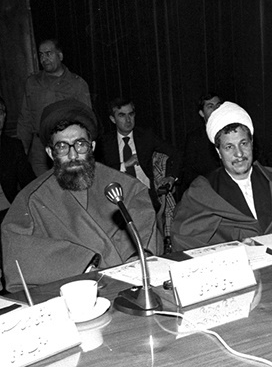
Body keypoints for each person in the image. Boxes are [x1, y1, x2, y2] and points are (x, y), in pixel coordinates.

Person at [2, 99, 160, 292]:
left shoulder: (124, 186)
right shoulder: (32, 199)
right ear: (50, 153)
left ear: (92, 146)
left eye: (80, 144)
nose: (73, 155)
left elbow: (144, 228)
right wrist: (83, 264)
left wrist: (135, 262)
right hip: (68, 291)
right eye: (62, 147)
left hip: (128, 285)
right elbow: (16, 248)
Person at [171, 101, 272, 249]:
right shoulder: (203, 191)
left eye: (243, 143)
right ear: (218, 152)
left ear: (252, 144)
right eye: (229, 147)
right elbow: (184, 240)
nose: (239, 154)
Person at [18, 39, 91, 176]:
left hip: (67, 146)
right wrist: (21, 152)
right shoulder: (32, 83)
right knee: (43, 185)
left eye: (48, 54)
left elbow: (86, 121)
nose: (44, 59)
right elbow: (25, 119)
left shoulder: (77, 84)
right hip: (40, 149)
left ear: (60, 56)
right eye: (41, 55)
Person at [96, 97, 182, 211]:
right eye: (122, 115)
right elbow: (99, 171)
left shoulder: (146, 136)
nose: (128, 120)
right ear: (113, 119)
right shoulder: (105, 143)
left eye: (131, 114)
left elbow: (176, 153)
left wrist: (171, 177)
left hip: (147, 197)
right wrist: (124, 165)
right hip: (117, 199)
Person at [0, 96, 35, 224]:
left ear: (4, 116)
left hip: (8, 211)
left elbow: (29, 182)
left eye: (0, 112)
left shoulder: (13, 146)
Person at [180, 93, 223, 193]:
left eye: (218, 106)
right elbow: (189, 172)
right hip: (208, 189)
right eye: (210, 106)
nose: (216, 109)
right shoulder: (194, 138)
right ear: (202, 113)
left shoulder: (233, 132)